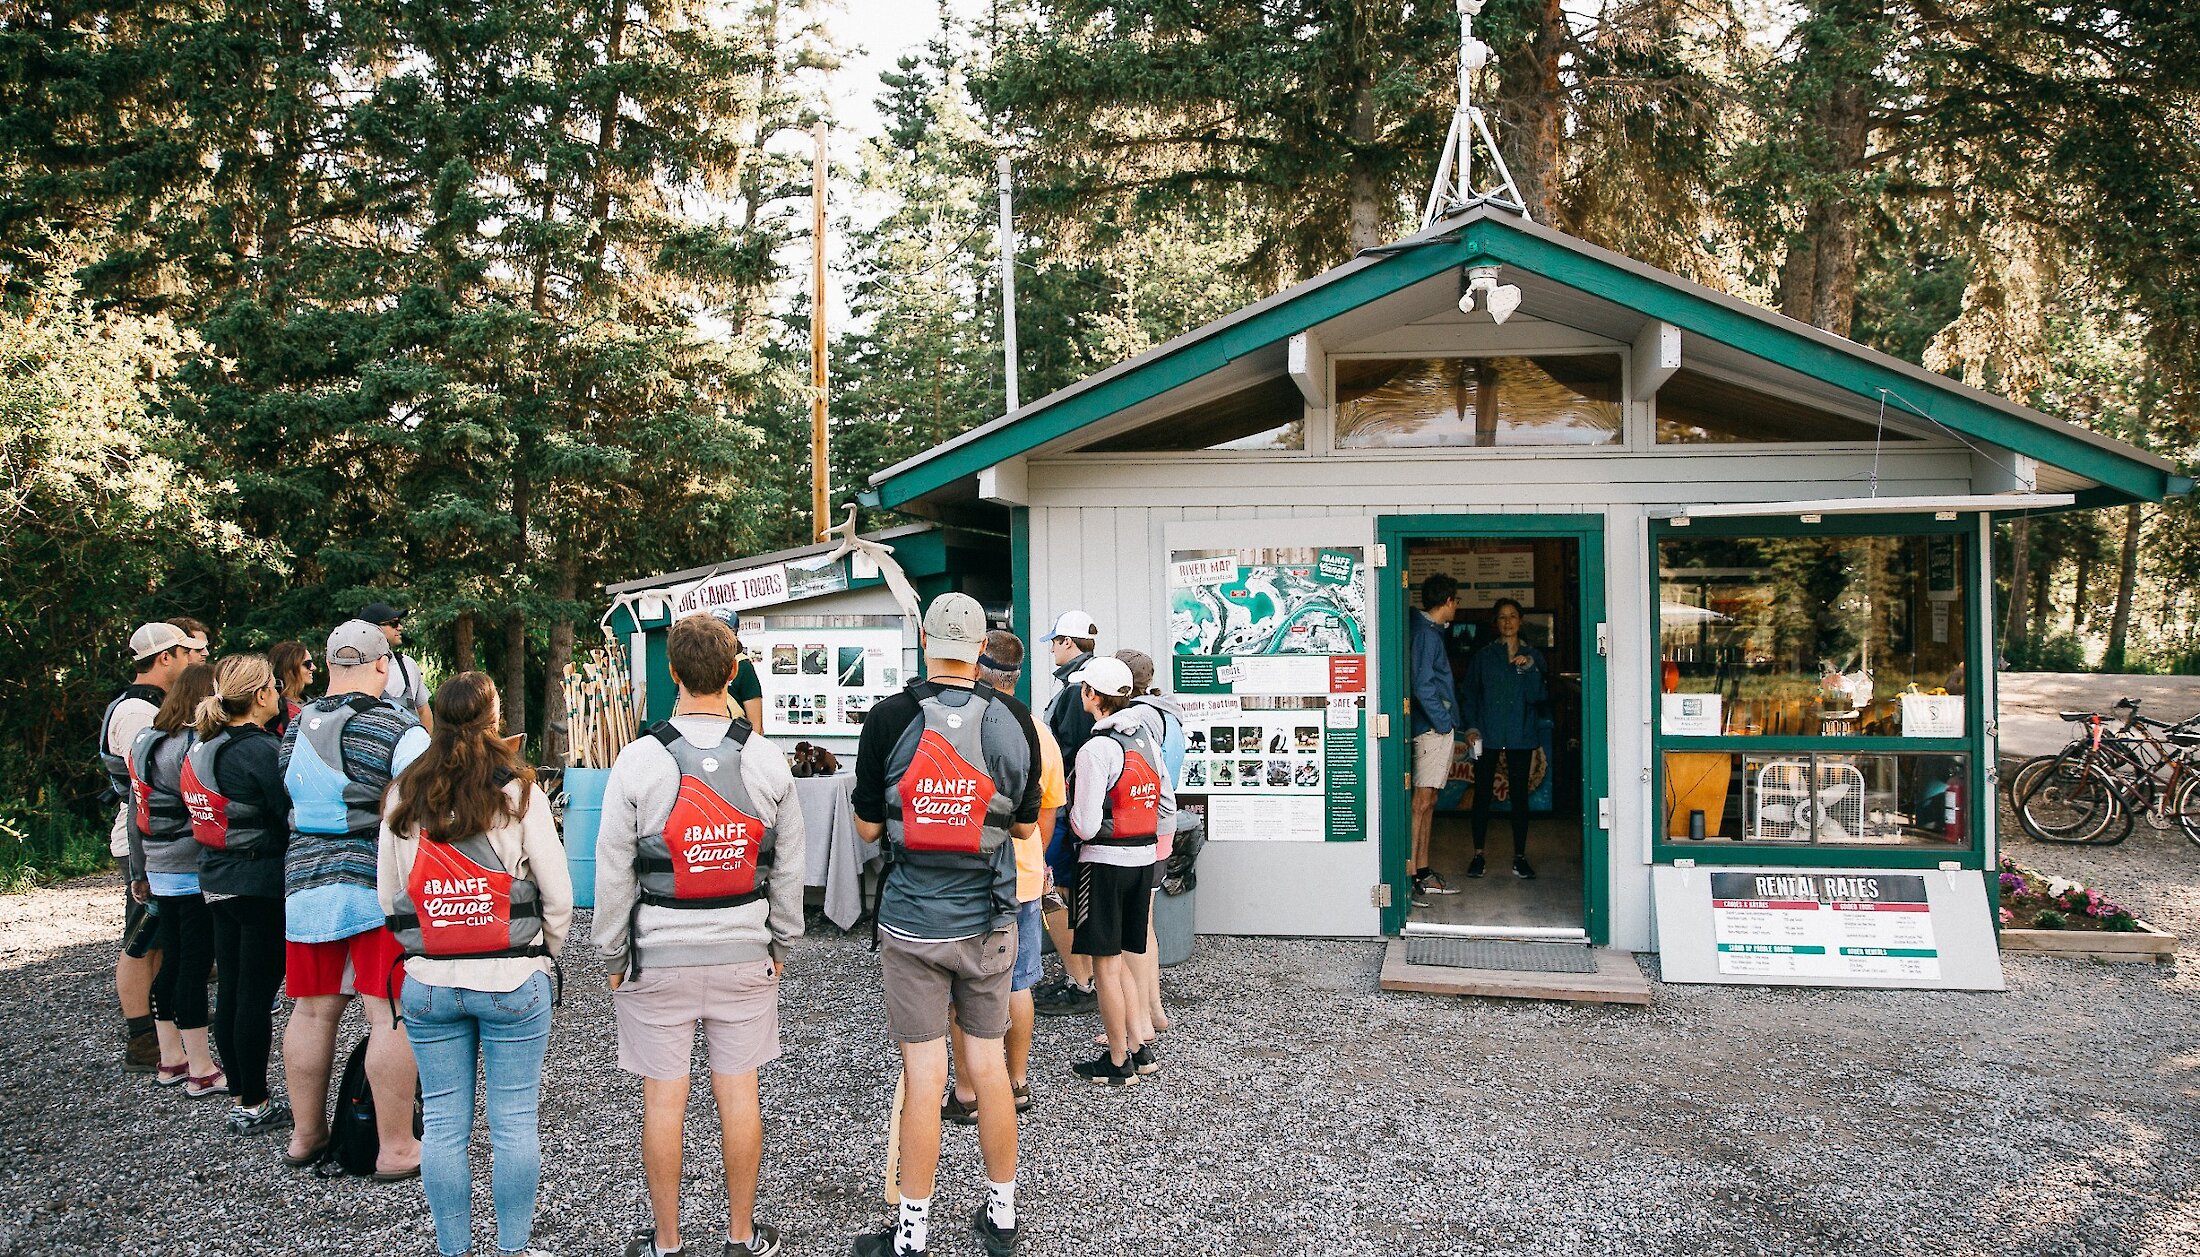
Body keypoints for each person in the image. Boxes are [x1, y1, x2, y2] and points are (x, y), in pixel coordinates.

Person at [593, 614, 804, 1257]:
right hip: (744, 951)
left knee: (665, 1101)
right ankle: (741, 1236)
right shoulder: (766, 759)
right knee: (740, 1093)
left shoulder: (639, 760)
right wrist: (782, 945)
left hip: (658, 956)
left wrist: (613, 952)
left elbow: (613, 865)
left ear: (673, 675)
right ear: (734, 672)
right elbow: (790, 868)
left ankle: (665, 1244)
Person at [850, 593, 1041, 1257]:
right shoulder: (1013, 719)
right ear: (980, 647)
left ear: (927, 642)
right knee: (989, 1065)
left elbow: (870, 827)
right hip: (989, 918)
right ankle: (1002, 1214)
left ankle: (912, 1232)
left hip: (913, 924)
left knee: (926, 1075)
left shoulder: (891, 717)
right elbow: (1022, 825)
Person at [382, 672, 572, 1257]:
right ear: (494, 721)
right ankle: (513, 1248)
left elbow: (390, 899)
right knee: (513, 1121)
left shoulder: (403, 793)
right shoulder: (517, 790)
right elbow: (558, 894)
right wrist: (545, 953)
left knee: (442, 1124)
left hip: (430, 982)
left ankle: (453, 1250)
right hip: (512, 976)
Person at [279, 620, 428, 1177]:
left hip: (304, 885)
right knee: (388, 1013)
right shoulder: (399, 727)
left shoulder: (297, 727)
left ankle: (305, 1135)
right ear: (382, 666)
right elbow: (426, 805)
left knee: (313, 1011)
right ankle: (395, 1146)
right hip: (374, 887)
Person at [942, 631, 1065, 1127]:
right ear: (1019, 677)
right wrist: (1033, 855)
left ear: (976, 668)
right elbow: (1048, 811)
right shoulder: (1038, 731)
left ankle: (968, 1089)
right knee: (1020, 982)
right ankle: (1016, 1082)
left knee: (963, 987)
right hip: (1025, 873)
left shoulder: (958, 725)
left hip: (970, 874)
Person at [188, 653, 295, 1134]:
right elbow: (287, 811)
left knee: (232, 989)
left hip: (216, 880)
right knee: (255, 994)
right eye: (274, 685)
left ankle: (240, 1090)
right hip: (257, 885)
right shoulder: (258, 752)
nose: (280, 692)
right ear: (259, 695)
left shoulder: (203, 745)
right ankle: (254, 1102)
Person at [1063, 655, 1173, 1088]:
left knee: (1105, 966)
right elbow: (1165, 802)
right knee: (1128, 958)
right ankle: (1139, 1049)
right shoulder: (1144, 738)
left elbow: (1086, 824)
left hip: (1104, 865)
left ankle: (1117, 1061)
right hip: (1143, 860)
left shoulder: (1096, 749)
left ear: (1092, 695)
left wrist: (1070, 821)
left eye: (1083, 689)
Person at [102, 621, 204, 1072]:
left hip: (153, 837)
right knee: (142, 938)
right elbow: (145, 784)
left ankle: (170, 1021)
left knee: (167, 940)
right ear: (166, 658)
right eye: (186, 653)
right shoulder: (135, 715)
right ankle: (141, 1034)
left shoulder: (149, 707)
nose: (192, 660)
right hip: (144, 838)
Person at [131, 663, 222, 1095]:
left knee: (172, 961)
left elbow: (135, 814)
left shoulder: (145, 742)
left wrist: (138, 870)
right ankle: (201, 1067)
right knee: (194, 964)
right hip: (190, 868)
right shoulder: (191, 746)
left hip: (157, 865)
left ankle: (171, 1057)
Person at [1030, 611, 1100, 1018]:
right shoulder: (1088, 683)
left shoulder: (1077, 689)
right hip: (1076, 809)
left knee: (1054, 890)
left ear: (1068, 644)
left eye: (1055, 642)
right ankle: (1082, 976)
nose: (1053, 649)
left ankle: (1081, 981)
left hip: (1063, 808)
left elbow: (1069, 752)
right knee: (1069, 892)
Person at [1114, 649, 1183, 1052]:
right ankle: (1153, 1008)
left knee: (1131, 931)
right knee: (1146, 925)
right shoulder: (1166, 713)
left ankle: (1139, 1018)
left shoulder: (1134, 720)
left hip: (1143, 825)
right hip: (1164, 824)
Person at [1460, 596, 1546, 880]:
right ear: (1496, 623)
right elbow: (1470, 694)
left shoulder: (1533, 656)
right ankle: (1477, 854)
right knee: (1482, 795)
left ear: (1520, 621)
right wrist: (1471, 727)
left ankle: (1520, 857)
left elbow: (1539, 697)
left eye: (1512, 616)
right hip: (1488, 735)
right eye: (1502, 617)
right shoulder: (1484, 656)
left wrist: (1529, 668)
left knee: (1520, 798)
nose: (1507, 622)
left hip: (1521, 736)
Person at [1409, 575, 1464, 903]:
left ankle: (1423, 870)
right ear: (1448, 601)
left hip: (1434, 727)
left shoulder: (1428, 631)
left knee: (1428, 802)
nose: (1456, 606)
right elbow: (1422, 686)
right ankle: (1414, 875)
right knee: (1421, 803)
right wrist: (1444, 723)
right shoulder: (1427, 636)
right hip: (1431, 729)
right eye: (1455, 601)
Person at [362, 601, 434, 732]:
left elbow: (423, 710)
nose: (400, 628)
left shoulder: (407, 664)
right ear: (374, 629)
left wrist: (426, 748)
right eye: (394, 624)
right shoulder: (356, 670)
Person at [724, 610, 766, 729]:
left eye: (725, 630)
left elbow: (756, 724)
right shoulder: (696, 663)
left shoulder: (742, 665)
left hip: (734, 739)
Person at [268, 639, 314, 737]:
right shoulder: (272, 708)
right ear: (289, 667)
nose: (313, 667)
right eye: (307, 664)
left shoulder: (313, 703)